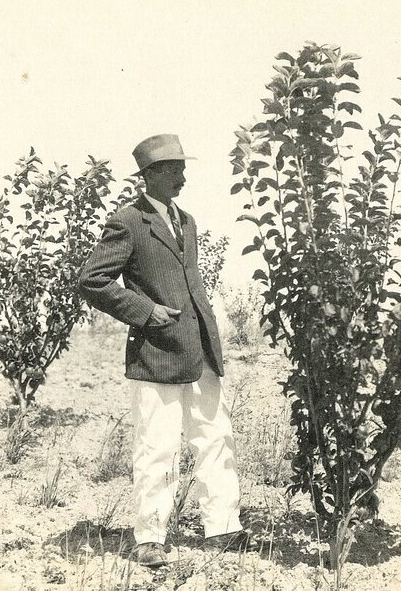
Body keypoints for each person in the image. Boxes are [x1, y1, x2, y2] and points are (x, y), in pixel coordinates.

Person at [77, 133, 249, 568]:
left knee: (215, 436)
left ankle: (223, 528)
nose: (184, 178)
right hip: (156, 350)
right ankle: (150, 537)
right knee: (157, 445)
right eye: (175, 170)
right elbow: (92, 280)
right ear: (150, 176)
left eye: (182, 169)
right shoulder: (128, 221)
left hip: (200, 349)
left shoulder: (186, 221)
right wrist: (146, 311)